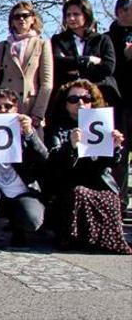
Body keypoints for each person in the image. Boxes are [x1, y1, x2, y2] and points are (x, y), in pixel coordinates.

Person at [44, 79, 130, 254]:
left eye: (86, 98)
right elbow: (54, 163)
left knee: (109, 197)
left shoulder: (102, 125)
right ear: (65, 103)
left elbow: (111, 165)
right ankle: (75, 238)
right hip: (68, 183)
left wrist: (115, 148)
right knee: (79, 192)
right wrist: (71, 146)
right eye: (73, 99)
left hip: (97, 180)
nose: (81, 103)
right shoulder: (57, 129)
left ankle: (103, 239)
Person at [0, 89, 48, 253]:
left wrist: (30, 134)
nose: (3, 110)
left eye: (8, 106)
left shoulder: (25, 133)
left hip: (22, 191)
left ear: (16, 110)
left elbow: (44, 158)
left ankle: (18, 229)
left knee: (32, 220)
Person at [0, 2, 53, 134]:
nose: (21, 19)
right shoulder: (4, 45)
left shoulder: (42, 44)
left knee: (32, 148)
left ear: (33, 19)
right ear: (12, 22)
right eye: (16, 17)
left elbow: (47, 82)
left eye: (25, 15)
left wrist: (38, 114)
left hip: (30, 106)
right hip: (5, 107)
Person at [51, 0, 119, 108]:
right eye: (68, 15)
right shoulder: (58, 40)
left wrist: (75, 68)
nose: (71, 18)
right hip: (70, 101)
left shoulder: (102, 39)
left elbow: (108, 68)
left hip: (102, 96)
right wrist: (88, 60)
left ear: (86, 15)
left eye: (76, 14)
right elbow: (57, 63)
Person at [105, 0, 132, 215]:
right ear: (120, 12)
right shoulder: (107, 38)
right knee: (118, 155)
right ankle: (117, 205)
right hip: (118, 105)